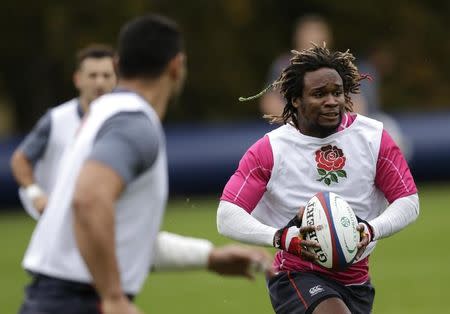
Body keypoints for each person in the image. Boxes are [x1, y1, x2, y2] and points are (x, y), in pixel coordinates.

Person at [18, 15, 272, 314]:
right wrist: (112, 296)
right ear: (176, 66)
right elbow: (88, 201)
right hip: (77, 301)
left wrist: (208, 257)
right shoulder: (134, 124)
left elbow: (122, 237)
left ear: (116, 65)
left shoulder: (102, 114)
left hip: (54, 297)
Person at [217, 44, 420, 313]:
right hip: (295, 275)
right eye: (319, 94)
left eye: (337, 92)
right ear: (296, 100)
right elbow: (227, 216)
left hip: (357, 281)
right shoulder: (270, 150)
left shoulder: (373, 137)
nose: (332, 101)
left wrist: (372, 230)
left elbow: (408, 201)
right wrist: (281, 237)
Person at [10, 44, 117, 217]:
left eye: (106, 75)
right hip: (60, 219)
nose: (99, 82)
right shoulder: (56, 119)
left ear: (116, 79)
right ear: (78, 79)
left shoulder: (124, 120)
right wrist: (35, 194)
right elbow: (20, 159)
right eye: (93, 75)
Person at [260, 14, 333, 116]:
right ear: (297, 38)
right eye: (308, 34)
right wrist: (298, 120)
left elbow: (355, 105)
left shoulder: (337, 67)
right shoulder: (284, 65)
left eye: (316, 34)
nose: (313, 39)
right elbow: (269, 103)